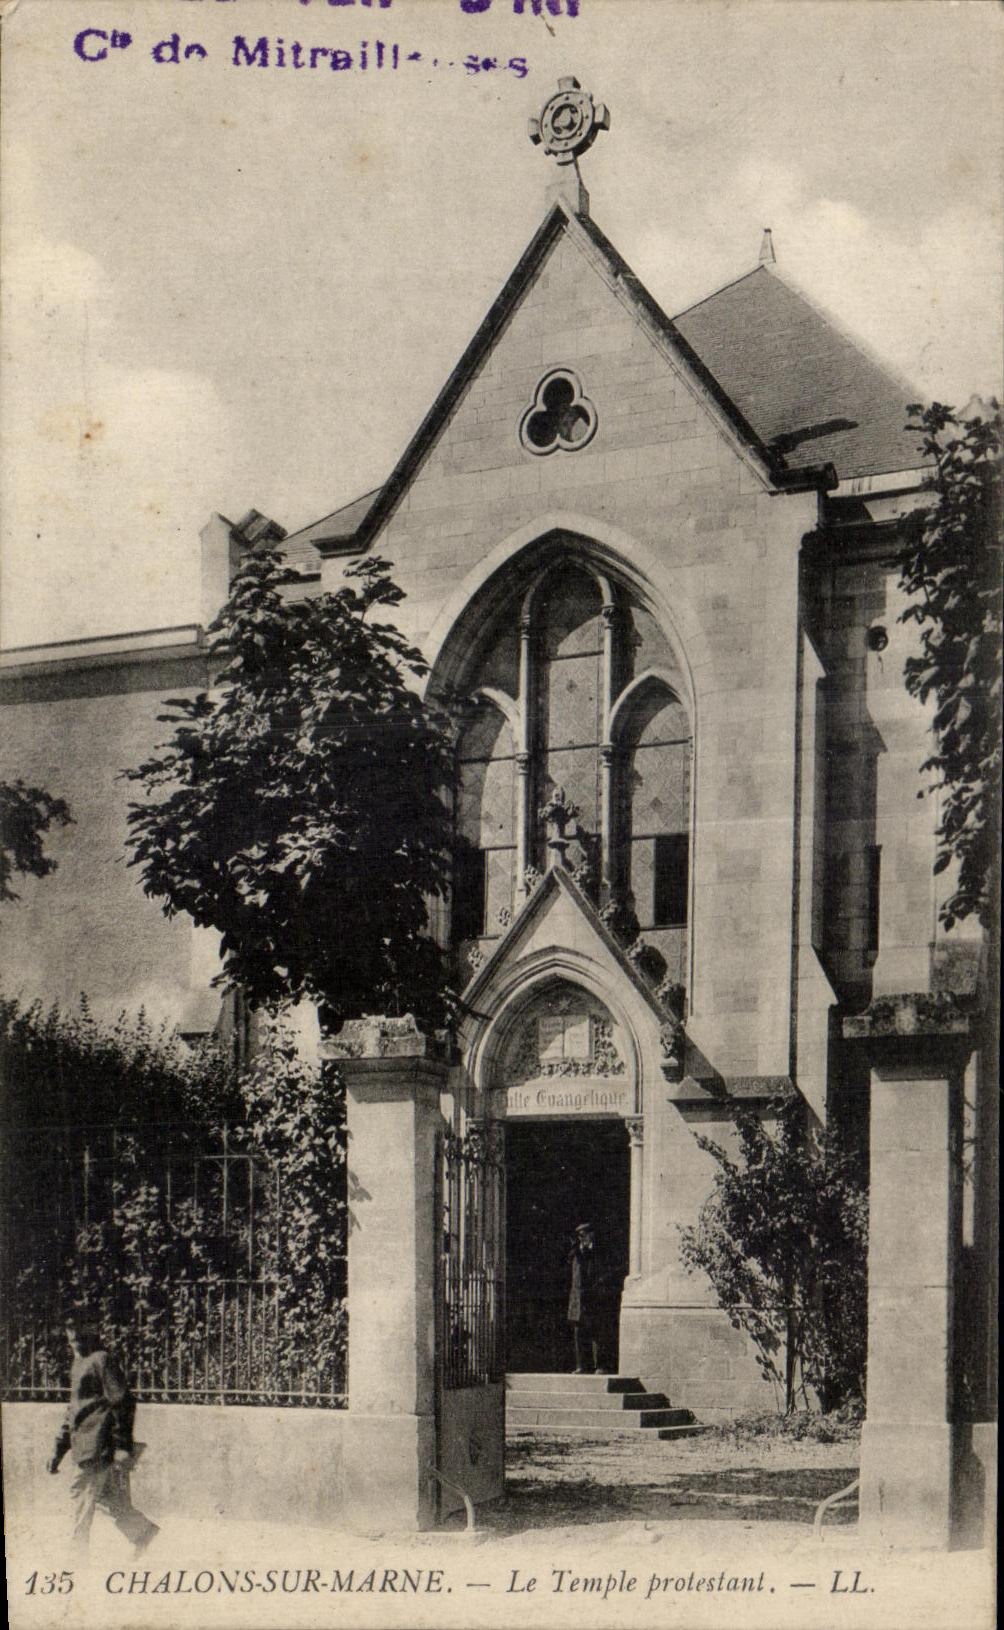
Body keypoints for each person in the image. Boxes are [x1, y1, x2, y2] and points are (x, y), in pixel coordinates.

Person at [48, 1311, 159, 1557]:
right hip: (84, 1445)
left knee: (80, 1493)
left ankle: (75, 1557)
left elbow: (122, 1402)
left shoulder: (101, 1360)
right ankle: (143, 1532)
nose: (74, 1334)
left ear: (92, 1331)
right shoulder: (79, 1364)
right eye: (69, 1328)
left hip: (98, 1443)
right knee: (107, 1499)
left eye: (80, 1327)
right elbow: (73, 1412)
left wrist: (122, 1445)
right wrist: (58, 1451)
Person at [567, 1222, 610, 1375]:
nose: (581, 1238)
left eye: (584, 1235)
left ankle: (600, 1366)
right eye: (579, 1236)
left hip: (594, 1298)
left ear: (591, 1234)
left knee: (596, 1333)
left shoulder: (599, 1251)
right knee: (579, 1334)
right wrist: (579, 1249)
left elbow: (603, 1271)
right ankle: (581, 1366)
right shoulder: (575, 1252)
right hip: (578, 1299)